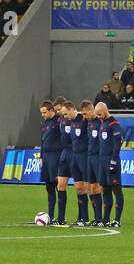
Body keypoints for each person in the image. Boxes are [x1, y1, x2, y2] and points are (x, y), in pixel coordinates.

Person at [96, 100, 124, 227]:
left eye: (100, 114)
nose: (98, 117)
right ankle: (105, 219)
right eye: (97, 115)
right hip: (102, 161)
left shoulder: (114, 123)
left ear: (106, 110)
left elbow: (118, 142)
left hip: (111, 161)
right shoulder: (103, 123)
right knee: (105, 190)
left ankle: (117, 220)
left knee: (116, 190)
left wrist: (113, 160)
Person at [54, 97, 79, 226]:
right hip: (64, 154)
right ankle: (60, 218)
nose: (60, 113)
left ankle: (82, 218)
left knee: (80, 187)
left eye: (61, 110)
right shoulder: (62, 120)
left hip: (76, 154)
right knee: (61, 185)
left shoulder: (78, 119)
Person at [38, 99, 62, 224]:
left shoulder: (59, 121)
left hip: (56, 157)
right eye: (41, 113)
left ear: (51, 110)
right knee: (49, 187)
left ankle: (60, 216)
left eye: (44, 112)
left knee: (58, 186)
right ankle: (51, 217)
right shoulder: (45, 123)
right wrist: (41, 157)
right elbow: (42, 141)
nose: (43, 115)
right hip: (46, 158)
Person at [84, 99, 105, 226]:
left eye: (85, 114)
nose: (84, 117)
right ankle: (96, 218)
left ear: (92, 110)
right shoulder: (90, 123)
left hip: (98, 158)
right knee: (90, 188)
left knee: (99, 187)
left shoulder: (100, 122)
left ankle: (102, 217)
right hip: (89, 157)